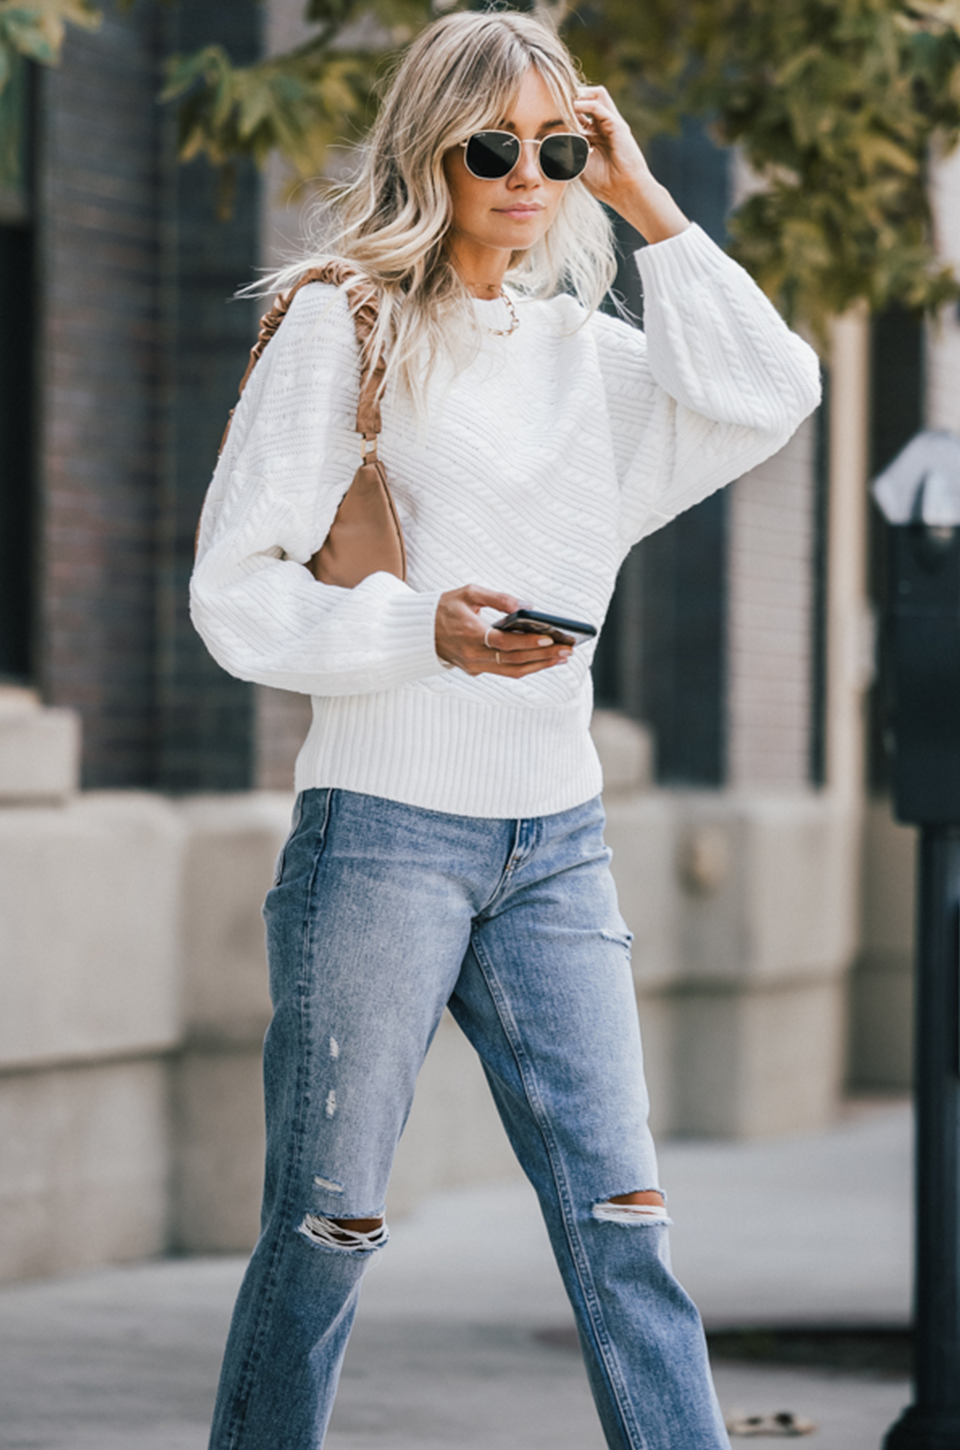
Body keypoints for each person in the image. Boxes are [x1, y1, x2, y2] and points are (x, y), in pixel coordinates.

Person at [191, 10, 821, 1448]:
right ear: (435, 154)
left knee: (625, 1221)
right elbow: (234, 593)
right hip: (382, 837)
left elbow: (772, 389)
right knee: (325, 1225)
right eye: (495, 146)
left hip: (557, 839)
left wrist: (646, 199)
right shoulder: (339, 322)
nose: (527, 172)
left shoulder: (589, 360)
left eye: (558, 144)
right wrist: (426, 629)